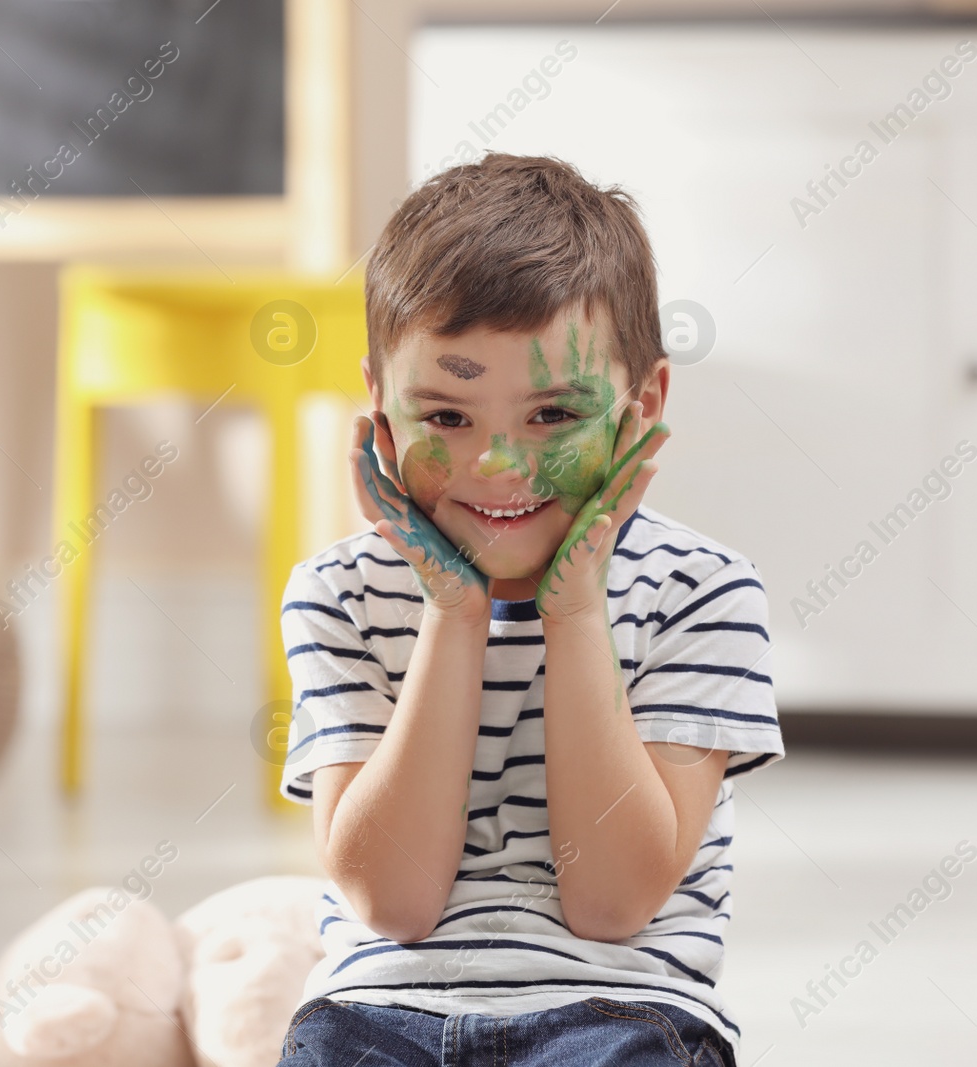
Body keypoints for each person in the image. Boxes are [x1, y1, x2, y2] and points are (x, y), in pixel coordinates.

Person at [275, 153, 783, 1067]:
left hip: (621, 1015)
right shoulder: (338, 596)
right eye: (448, 416)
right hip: (376, 1016)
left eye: (552, 416)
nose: (500, 467)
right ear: (381, 415)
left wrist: (577, 612)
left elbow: (614, 904)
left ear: (644, 405)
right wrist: (453, 616)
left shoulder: (703, 591)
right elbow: (394, 902)